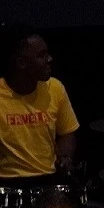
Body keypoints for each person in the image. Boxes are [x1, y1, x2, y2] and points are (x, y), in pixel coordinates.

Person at [0, 27, 79, 182]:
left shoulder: (55, 88)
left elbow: (67, 133)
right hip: (7, 183)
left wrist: (64, 157)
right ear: (21, 63)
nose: (49, 59)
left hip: (48, 181)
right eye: (42, 56)